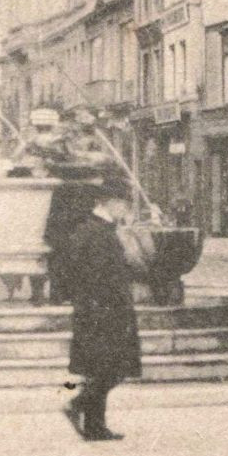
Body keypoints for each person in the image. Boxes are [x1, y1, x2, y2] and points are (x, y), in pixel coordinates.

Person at [60, 176, 141, 442]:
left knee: (101, 368)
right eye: (125, 206)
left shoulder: (91, 229)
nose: (127, 212)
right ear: (113, 203)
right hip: (105, 311)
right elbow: (101, 275)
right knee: (113, 368)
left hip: (96, 309)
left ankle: (95, 426)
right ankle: (78, 405)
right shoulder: (98, 233)